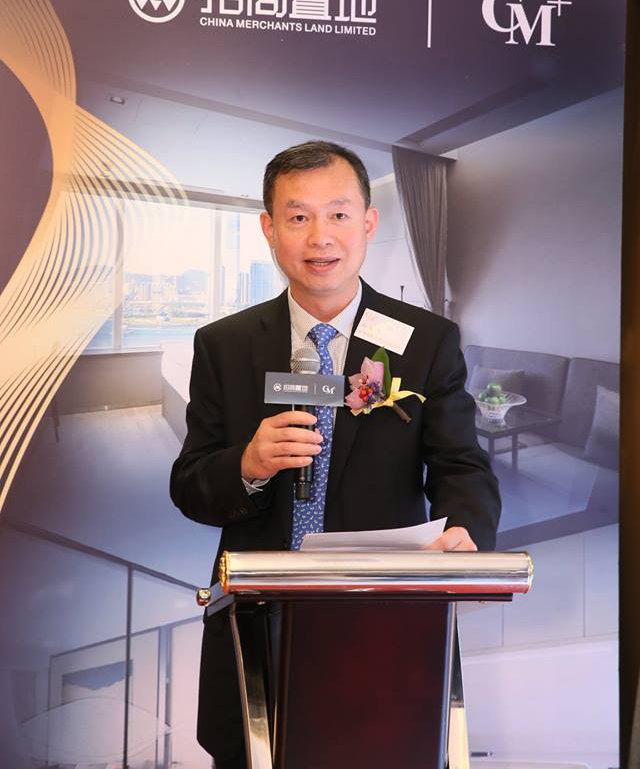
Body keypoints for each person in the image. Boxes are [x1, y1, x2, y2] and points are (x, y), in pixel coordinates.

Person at [170, 140, 501, 768]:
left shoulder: (425, 341)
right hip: (256, 621)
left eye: (339, 214)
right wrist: (247, 466)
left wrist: (466, 530)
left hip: (384, 620)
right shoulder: (223, 344)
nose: (320, 236)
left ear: (368, 223)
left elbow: (461, 464)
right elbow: (189, 483)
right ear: (269, 228)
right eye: (298, 216)